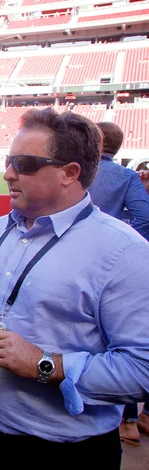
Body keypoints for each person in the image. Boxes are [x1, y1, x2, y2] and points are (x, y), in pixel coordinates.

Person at [0, 108, 149, 470]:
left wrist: (47, 365)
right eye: (9, 161)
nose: (8, 173)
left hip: (62, 453)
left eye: (24, 164)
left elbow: (142, 369)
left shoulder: (124, 252)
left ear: (70, 173)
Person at [87, 122, 149, 446]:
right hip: (116, 267)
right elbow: (144, 217)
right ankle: (129, 421)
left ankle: (125, 420)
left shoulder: (81, 173)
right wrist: (125, 246)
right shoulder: (126, 177)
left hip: (83, 263)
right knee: (121, 339)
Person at [88, 121, 149, 240]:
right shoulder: (127, 176)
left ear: (96, 140)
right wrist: (124, 241)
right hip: (107, 242)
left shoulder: (71, 170)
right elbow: (144, 218)